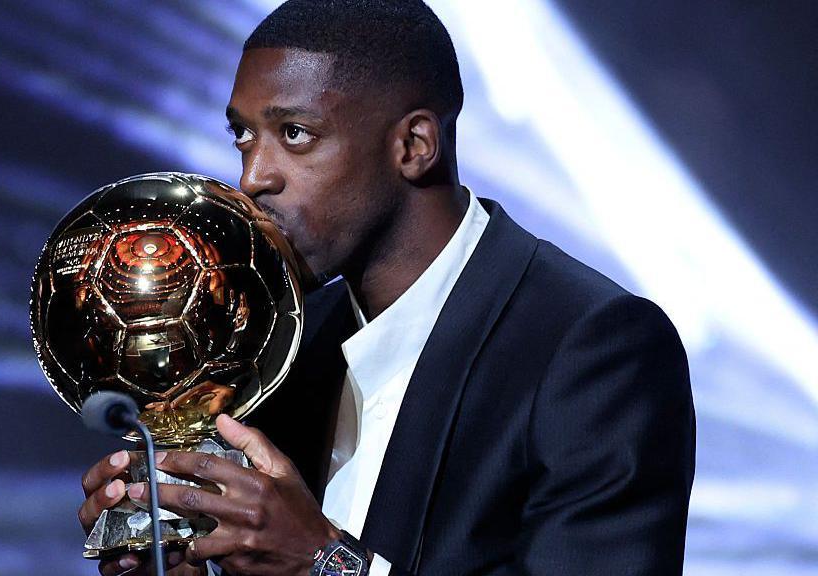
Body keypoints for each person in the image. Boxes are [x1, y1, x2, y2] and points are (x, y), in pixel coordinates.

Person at [77, 1, 696, 574]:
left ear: (414, 146)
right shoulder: (285, 341)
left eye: (294, 134)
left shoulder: (594, 349)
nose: (253, 178)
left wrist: (323, 563)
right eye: (243, 135)